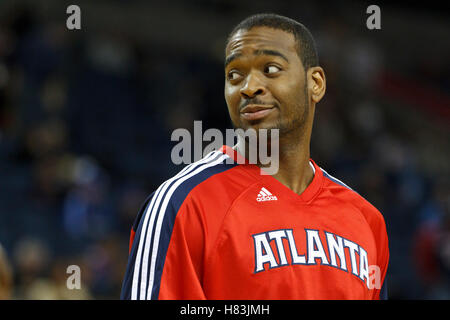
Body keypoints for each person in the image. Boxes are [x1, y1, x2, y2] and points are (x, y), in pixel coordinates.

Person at [120, 13, 389, 300]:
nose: (248, 87)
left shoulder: (366, 219)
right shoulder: (183, 203)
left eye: (271, 69)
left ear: (316, 84)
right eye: (234, 75)